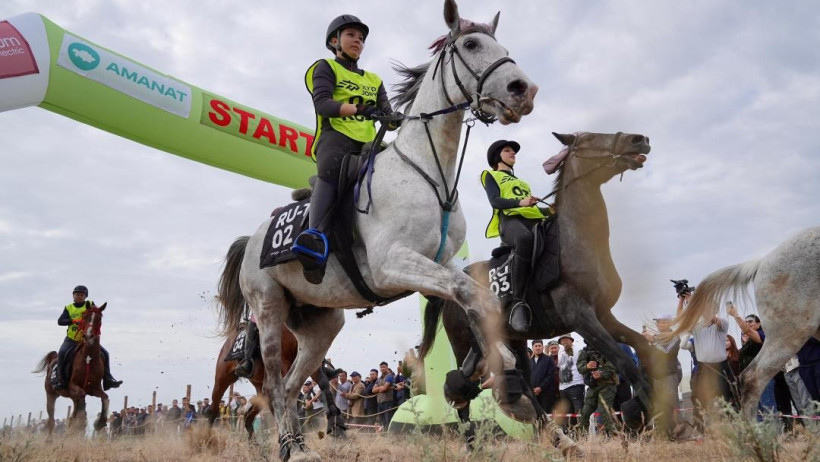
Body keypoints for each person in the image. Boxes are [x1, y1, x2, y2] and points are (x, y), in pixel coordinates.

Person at [292, 14, 396, 284]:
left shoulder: (374, 79)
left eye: (361, 39)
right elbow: (323, 105)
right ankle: (315, 239)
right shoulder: (325, 67)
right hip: (336, 137)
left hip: (369, 144)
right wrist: (360, 109)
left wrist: (398, 118)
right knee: (331, 168)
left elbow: (388, 115)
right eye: (351, 35)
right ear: (334, 41)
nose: (358, 42)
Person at [481, 140, 555, 332]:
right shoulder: (491, 175)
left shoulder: (522, 182)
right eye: (507, 151)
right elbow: (495, 201)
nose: (513, 153)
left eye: (513, 151)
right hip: (510, 222)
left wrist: (550, 211)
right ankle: (517, 303)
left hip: (533, 221)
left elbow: (532, 209)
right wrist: (520, 202)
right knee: (524, 239)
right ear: (497, 156)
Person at [679, 296, 733, 430]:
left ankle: (730, 429)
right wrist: (689, 326)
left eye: (709, 309)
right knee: (698, 400)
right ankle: (700, 430)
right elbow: (683, 345)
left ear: (714, 310)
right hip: (704, 368)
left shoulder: (722, 323)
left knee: (726, 399)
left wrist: (696, 302)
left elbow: (715, 320)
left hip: (721, 367)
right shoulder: (696, 326)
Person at [54, 285, 122, 390]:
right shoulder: (68, 308)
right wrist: (72, 321)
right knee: (62, 354)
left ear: (85, 296)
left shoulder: (90, 304)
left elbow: (96, 314)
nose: (79, 296)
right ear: (73, 296)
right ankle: (60, 380)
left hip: (87, 338)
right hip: (72, 339)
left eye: (82, 295)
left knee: (105, 354)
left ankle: (108, 380)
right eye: (77, 294)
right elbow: (60, 321)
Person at [730, 307, 776, 413]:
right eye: (745, 322)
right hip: (750, 382)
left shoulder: (763, 335)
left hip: (762, 378)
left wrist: (736, 315)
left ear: (759, 324)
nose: (747, 324)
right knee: (757, 412)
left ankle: (774, 429)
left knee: (768, 410)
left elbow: (746, 330)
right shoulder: (746, 344)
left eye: (750, 321)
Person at [577, 345, 618, 435]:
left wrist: (601, 374)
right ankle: (581, 437)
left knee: (603, 411)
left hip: (608, 385)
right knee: (585, 412)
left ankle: (613, 435)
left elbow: (612, 369)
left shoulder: (607, 349)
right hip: (593, 385)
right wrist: (587, 366)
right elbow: (580, 368)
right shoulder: (584, 352)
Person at [557, 334, 585, 429]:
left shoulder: (578, 350)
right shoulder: (560, 352)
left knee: (578, 411)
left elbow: (583, 366)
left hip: (576, 384)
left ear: (571, 340)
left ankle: (581, 433)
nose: (564, 341)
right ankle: (570, 433)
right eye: (562, 340)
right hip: (563, 387)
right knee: (567, 413)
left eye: (566, 339)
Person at [529, 339, 556, 414]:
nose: (538, 348)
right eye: (536, 346)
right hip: (534, 394)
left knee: (546, 414)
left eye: (539, 346)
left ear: (543, 347)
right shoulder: (530, 362)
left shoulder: (548, 359)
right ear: (533, 348)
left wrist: (541, 388)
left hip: (546, 394)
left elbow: (550, 376)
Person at [372, 361, 395, 430]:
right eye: (381, 367)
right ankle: (383, 435)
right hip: (380, 402)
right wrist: (380, 387)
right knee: (381, 420)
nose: (382, 368)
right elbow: (373, 390)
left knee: (388, 419)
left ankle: (389, 434)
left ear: (387, 367)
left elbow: (384, 388)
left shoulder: (389, 376)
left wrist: (379, 388)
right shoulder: (379, 379)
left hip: (387, 401)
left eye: (384, 367)